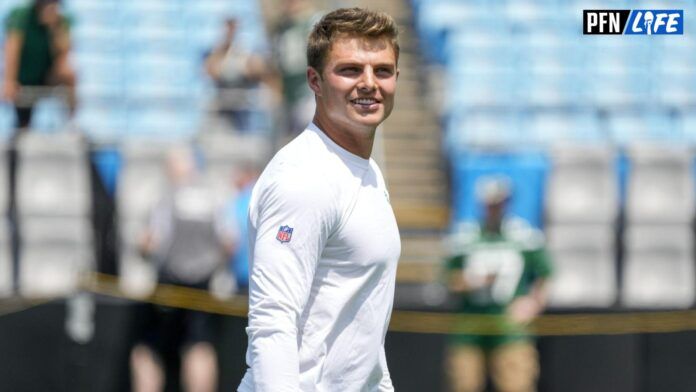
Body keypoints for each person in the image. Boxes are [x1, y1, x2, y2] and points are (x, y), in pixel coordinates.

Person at [238, 8, 401, 391]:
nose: (368, 83)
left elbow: (365, 331)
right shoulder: (305, 177)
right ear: (314, 80)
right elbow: (273, 320)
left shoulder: (366, 171)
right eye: (349, 70)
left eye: (382, 70)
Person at [130, 147, 237, 392]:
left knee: (147, 351)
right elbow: (229, 242)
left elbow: (151, 241)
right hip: (203, 287)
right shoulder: (215, 197)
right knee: (199, 347)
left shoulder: (165, 197)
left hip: (167, 286)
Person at [443, 177, 552, 392]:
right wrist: (473, 282)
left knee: (516, 385)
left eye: (499, 202)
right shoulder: (467, 237)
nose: (494, 208)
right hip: (470, 327)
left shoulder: (523, 235)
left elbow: (546, 273)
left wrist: (533, 302)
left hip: (510, 329)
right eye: (490, 203)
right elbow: (448, 278)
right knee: (464, 384)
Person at [3, 0, 75, 130]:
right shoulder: (22, 15)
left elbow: (63, 57)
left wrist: (54, 29)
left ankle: (71, 122)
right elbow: (12, 48)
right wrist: (10, 81)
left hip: (48, 76)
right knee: (23, 123)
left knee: (68, 73)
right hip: (24, 78)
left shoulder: (62, 21)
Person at [204, 18, 276, 133]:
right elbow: (212, 70)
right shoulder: (217, 50)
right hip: (224, 104)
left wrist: (237, 66)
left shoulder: (247, 49)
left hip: (246, 105)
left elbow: (256, 69)